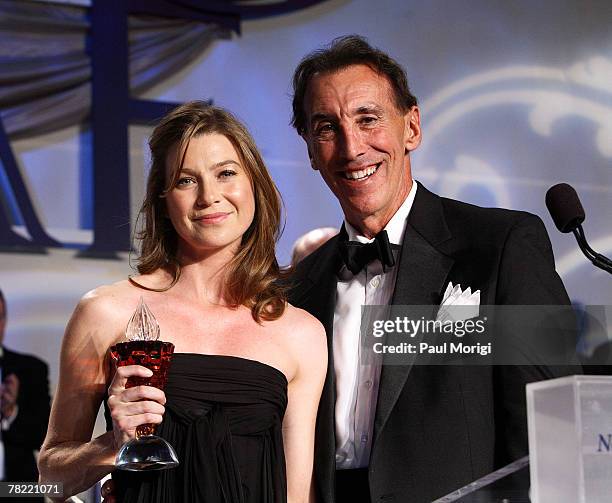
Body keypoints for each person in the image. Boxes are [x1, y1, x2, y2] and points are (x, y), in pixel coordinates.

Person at [287, 35, 579, 502]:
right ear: (309, 150)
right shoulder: (298, 288)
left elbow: (552, 428)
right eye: (326, 128)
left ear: (411, 127)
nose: (351, 147)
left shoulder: (501, 245)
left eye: (368, 119)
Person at [38, 103, 327, 502]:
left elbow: (297, 495)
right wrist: (112, 446)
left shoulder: (301, 333)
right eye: (186, 180)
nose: (210, 197)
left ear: (254, 185)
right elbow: (49, 481)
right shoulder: (105, 312)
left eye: (226, 173)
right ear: (163, 199)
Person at [0, 288, 50, 495]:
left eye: (0, 316)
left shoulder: (30, 369)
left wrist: (11, 412)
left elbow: (45, 436)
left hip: (17, 489)